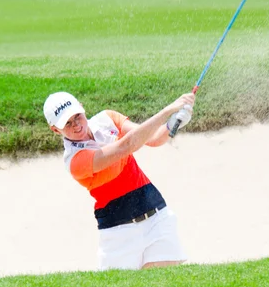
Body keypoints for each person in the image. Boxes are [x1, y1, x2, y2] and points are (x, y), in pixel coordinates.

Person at [43, 91, 195, 270]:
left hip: (156, 216)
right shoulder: (75, 161)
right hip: (118, 232)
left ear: (82, 108)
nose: (76, 125)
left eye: (77, 117)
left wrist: (173, 124)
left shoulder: (107, 119)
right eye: (67, 123)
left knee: (166, 285)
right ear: (55, 129)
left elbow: (152, 139)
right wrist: (168, 110)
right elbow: (127, 146)